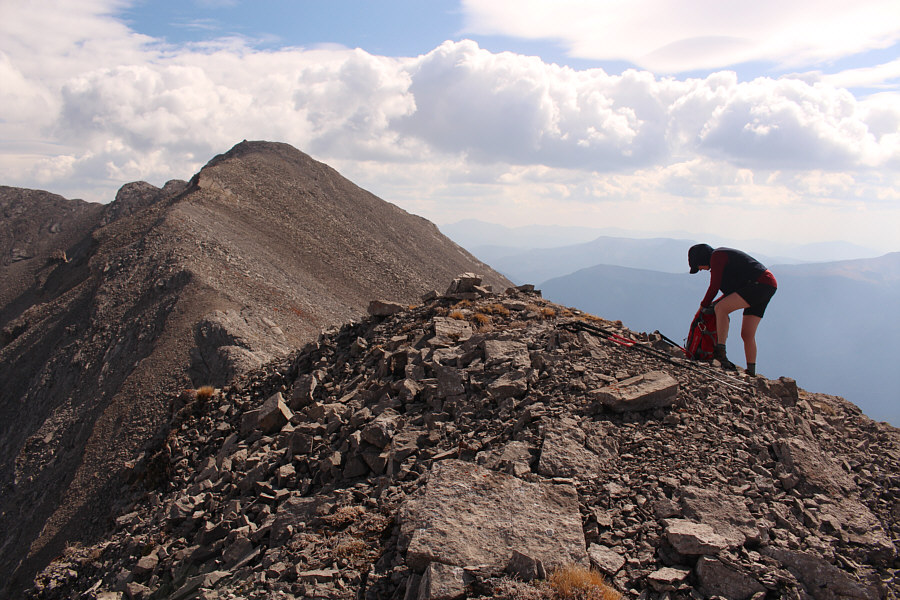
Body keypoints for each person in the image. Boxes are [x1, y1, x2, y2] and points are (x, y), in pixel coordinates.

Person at [688, 244, 777, 376]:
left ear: (702, 259)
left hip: (759, 284)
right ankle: (751, 371)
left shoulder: (716, 257)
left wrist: (702, 306)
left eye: (698, 266)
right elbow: (730, 292)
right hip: (767, 285)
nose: (700, 270)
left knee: (721, 309)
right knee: (747, 334)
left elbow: (714, 287)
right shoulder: (722, 258)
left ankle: (720, 353)